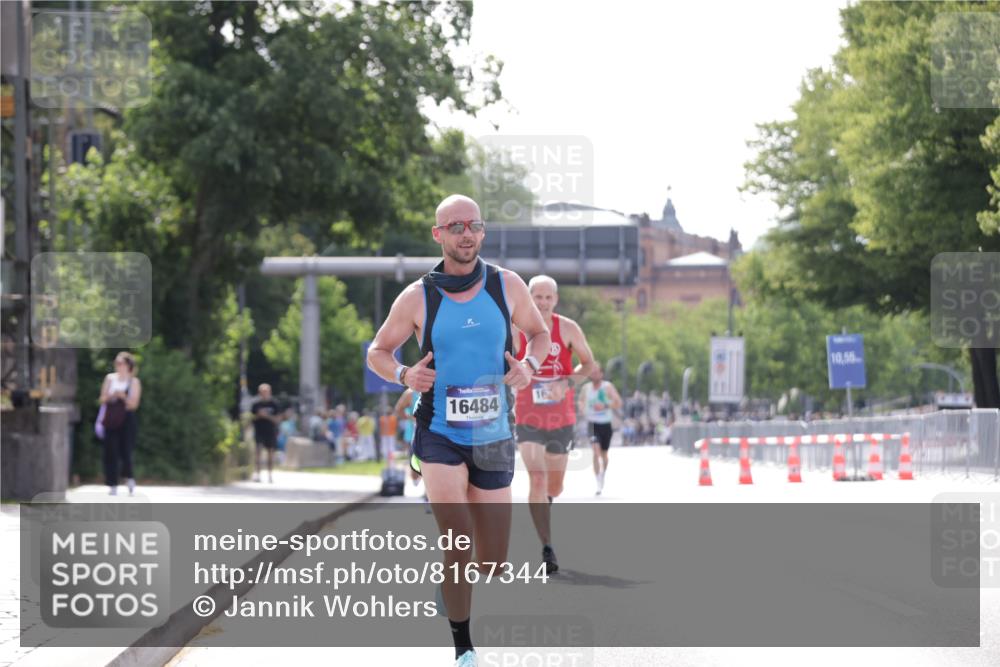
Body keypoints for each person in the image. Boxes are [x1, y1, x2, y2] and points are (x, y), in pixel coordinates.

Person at [367, 194, 549, 667]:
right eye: (455, 226)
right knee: (458, 540)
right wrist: (405, 375)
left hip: (493, 435)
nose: (466, 233)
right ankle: (463, 647)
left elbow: (541, 332)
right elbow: (378, 352)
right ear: (438, 235)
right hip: (439, 431)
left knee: (491, 563)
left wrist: (528, 363)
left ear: (482, 232)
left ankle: (453, 582)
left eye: (473, 225)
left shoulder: (506, 286)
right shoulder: (417, 297)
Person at [512, 275, 595, 575]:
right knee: (536, 478)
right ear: (529, 297)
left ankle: (545, 502)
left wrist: (566, 381)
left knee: (554, 486)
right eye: (537, 296)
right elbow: (498, 358)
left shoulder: (568, 329)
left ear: (555, 300)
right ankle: (547, 546)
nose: (542, 302)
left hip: (561, 417)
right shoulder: (515, 329)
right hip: (527, 414)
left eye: (548, 297)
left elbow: (589, 364)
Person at [99, 351, 142, 496]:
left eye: (121, 363)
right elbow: (103, 398)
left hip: (126, 419)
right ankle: (112, 483)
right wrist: (112, 396)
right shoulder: (110, 378)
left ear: (128, 365)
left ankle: (129, 477)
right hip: (111, 418)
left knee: (126, 451)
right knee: (110, 451)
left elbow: (134, 404)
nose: (118, 366)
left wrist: (123, 396)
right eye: (117, 363)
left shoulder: (133, 382)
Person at [578, 363, 622, 495]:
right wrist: (583, 409)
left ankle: (603, 474)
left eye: (597, 372)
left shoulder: (607, 387)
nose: (595, 374)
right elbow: (580, 401)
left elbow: (618, 402)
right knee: (595, 452)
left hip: (605, 424)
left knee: (604, 455)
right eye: (593, 372)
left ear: (601, 374)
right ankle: (598, 481)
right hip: (592, 423)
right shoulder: (586, 388)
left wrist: (605, 405)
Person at [250, 384, 281, 483]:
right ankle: (258, 474)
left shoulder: (274, 404)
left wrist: (266, 416)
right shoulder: (255, 405)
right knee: (258, 452)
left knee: (270, 454)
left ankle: (270, 475)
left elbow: (277, 419)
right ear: (259, 393)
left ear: (269, 392)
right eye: (262, 392)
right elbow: (251, 418)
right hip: (259, 431)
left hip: (270, 431)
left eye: (266, 392)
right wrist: (259, 416)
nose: (264, 394)